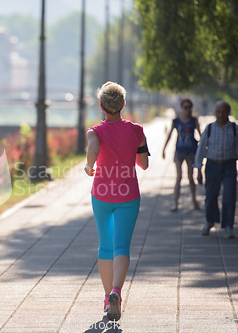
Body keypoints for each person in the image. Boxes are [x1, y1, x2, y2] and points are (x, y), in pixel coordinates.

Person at [85, 82, 149, 321]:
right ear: (123, 104)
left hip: (101, 194)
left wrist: (89, 165)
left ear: (102, 106)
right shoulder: (137, 131)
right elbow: (143, 164)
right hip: (128, 195)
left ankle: (106, 298)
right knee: (121, 246)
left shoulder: (95, 132)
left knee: (105, 246)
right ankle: (116, 292)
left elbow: (92, 150)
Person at [194, 101, 238, 239]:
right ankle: (209, 221)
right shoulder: (210, 129)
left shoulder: (235, 129)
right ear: (215, 112)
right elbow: (201, 148)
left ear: (228, 113)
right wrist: (198, 168)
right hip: (212, 166)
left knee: (229, 196)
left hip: (229, 166)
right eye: (218, 112)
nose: (221, 115)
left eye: (224, 112)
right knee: (210, 196)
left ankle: (228, 226)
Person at [162, 98, 202, 211]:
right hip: (179, 151)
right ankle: (175, 203)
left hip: (191, 152)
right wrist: (164, 149)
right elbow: (169, 135)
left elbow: (201, 134)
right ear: (181, 108)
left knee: (190, 177)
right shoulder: (176, 121)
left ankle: (194, 200)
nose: (188, 110)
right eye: (185, 107)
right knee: (179, 176)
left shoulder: (194, 120)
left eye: (190, 108)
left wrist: (204, 148)